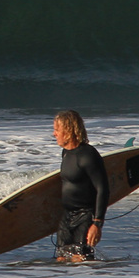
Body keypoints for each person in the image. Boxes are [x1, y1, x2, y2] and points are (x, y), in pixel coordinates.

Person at [52, 110, 109, 263]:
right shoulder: (65, 153)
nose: (54, 134)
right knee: (61, 260)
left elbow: (102, 189)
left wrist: (97, 223)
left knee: (81, 261)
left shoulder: (88, 155)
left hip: (85, 216)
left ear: (69, 130)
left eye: (57, 130)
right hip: (66, 216)